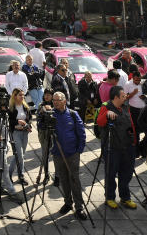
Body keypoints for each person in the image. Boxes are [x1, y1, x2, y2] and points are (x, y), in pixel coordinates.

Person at [95, 86, 137, 210]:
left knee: (127, 173)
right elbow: (100, 122)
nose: (125, 97)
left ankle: (125, 198)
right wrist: (107, 114)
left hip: (127, 145)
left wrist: (134, 140)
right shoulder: (106, 107)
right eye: (123, 96)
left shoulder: (125, 107)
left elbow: (131, 123)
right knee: (110, 174)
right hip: (112, 147)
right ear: (116, 97)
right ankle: (110, 197)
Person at [50, 91, 87, 220]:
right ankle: (67, 202)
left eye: (58, 100)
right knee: (64, 180)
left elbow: (81, 132)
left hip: (72, 153)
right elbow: (42, 129)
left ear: (64, 101)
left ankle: (79, 207)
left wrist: (79, 149)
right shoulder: (51, 115)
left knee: (74, 179)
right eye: (54, 100)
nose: (55, 102)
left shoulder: (72, 114)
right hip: (57, 154)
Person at [7, 89, 32, 183]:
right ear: (15, 96)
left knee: (20, 155)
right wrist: (18, 122)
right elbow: (9, 121)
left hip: (25, 132)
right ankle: (14, 174)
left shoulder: (25, 107)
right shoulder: (11, 108)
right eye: (20, 95)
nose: (22, 97)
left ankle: (16, 175)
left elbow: (29, 118)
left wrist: (28, 126)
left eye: (23, 95)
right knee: (20, 155)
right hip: (15, 133)